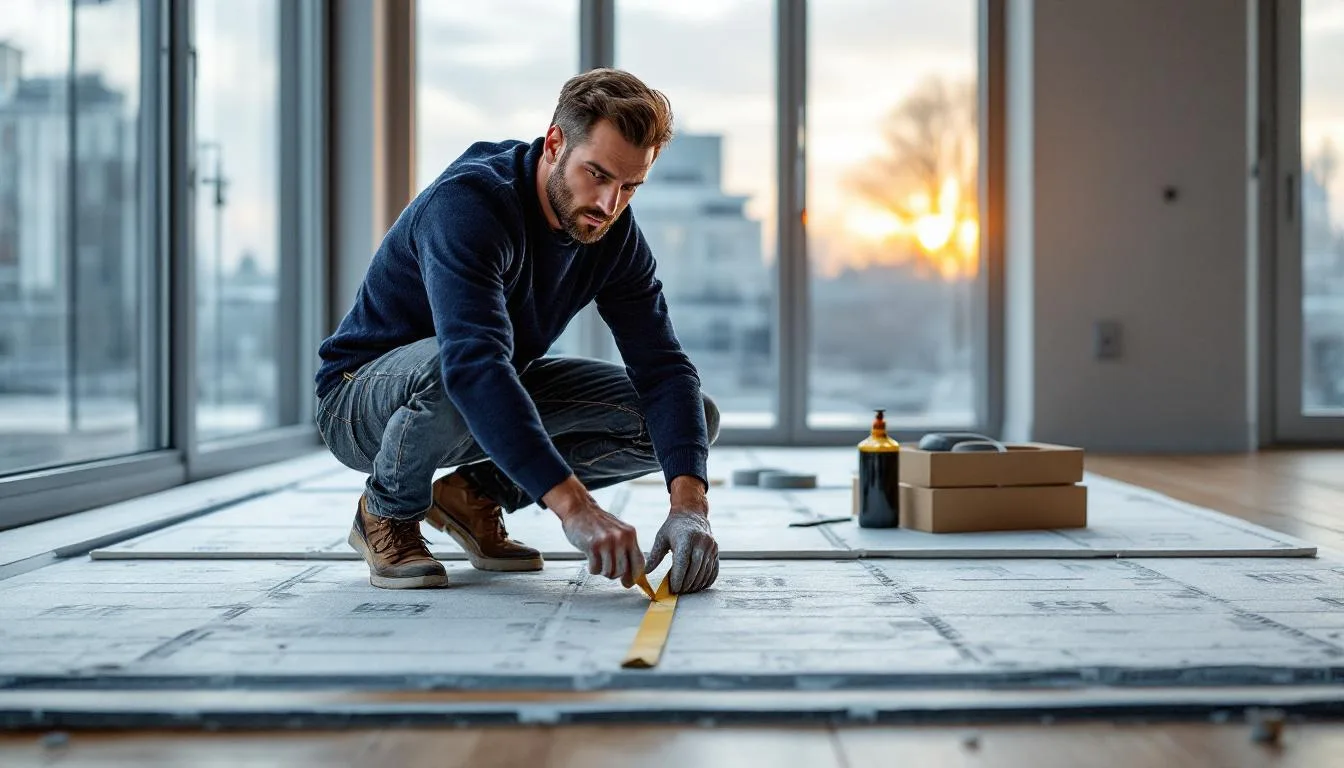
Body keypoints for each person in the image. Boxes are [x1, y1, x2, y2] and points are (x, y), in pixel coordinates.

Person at [314, 68, 721, 596]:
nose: (608, 205)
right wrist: (576, 508)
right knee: (454, 367)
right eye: (596, 175)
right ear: (554, 143)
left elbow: (664, 370)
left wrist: (690, 506)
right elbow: (472, 364)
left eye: (628, 187)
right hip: (359, 400)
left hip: (476, 385)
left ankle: (471, 496)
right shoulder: (469, 205)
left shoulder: (612, 234)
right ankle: (386, 512)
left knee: (691, 418)